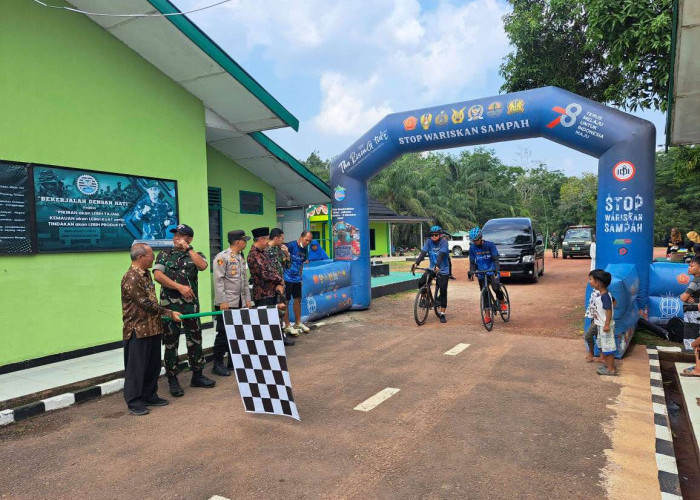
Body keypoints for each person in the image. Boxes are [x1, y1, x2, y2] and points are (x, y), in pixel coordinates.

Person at [153, 224, 215, 397]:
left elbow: (202, 266)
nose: (176, 238)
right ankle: (172, 379)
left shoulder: (195, 254)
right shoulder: (164, 255)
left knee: (195, 341)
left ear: (189, 238)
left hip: (191, 307)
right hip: (169, 309)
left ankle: (197, 375)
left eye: (180, 235)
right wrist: (179, 287)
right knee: (171, 343)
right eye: (175, 235)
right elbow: (158, 276)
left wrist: (190, 250)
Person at [121, 243, 181, 416]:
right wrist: (168, 312)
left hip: (152, 328)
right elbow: (145, 303)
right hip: (137, 330)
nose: (153, 258)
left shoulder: (146, 275)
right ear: (140, 257)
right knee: (136, 369)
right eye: (150, 255)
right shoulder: (131, 277)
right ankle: (134, 402)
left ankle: (149, 396)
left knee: (152, 366)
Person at [211, 229, 252, 377]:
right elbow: (218, 280)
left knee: (236, 333)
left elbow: (244, 281)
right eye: (244, 240)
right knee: (222, 334)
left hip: (239, 302)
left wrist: (248, 299)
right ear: (238, 242)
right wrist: (222, 301)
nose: (246, 243)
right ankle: (217, 363)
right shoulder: (222, 257)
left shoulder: (241, 257)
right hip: (227, 303)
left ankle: (233, 361)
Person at [247, 227, 294, 346]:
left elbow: (283, 266)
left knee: (276, 316)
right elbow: (265, 273)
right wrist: (279, 281)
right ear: (261, 239)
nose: (268, 242)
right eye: (266, 239)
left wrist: (287, 254)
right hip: (263, 292)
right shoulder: (255, 254)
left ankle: (278, 339)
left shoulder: (267, 252)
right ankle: (267, 345)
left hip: (274, 290)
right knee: (264, 320)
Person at [467, 226, 507, 325]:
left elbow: (495, 259)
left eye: (477, 240)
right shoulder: (472, 248)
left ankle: (502, 302)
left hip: (492, 270)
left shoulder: (490, 245)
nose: (475, 242)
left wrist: (496, 270)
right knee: (485, 294)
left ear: (481, 237)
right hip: (481, 273)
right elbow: (472, 262)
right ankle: (487, 316)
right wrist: (471, 272)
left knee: (496, 287)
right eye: (474, 240)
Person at [411, 225, 450, 323]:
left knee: (443, 290)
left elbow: (441, 255)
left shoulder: (444, 242)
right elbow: (423, 253)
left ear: (440, 235)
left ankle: (442, 313)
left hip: (443, 269)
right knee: (421, 282)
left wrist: (437, 265)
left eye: (436, 234)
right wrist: (416, 263)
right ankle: (424, 298)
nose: (433, 236)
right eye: (432, 235)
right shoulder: (428, 242)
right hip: (432, 268)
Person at [587, 269, 617, 376]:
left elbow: (609, 310)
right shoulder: (603, 294)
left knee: (608, 347)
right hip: (601, 325)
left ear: (598, 283)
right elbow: (613, 305)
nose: (589, 281)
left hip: (605, 326)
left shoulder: (604, 296)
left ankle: (611, 369)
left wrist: (607, 324)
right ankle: (609, 365)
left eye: (590, 279)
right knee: (605, 346)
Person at [266, 228, 295, 335]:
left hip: (281, 286)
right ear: (276, 238)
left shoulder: (279, 249)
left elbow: (287, 266)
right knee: (270, 313)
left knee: (281, 311)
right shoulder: (265, 250)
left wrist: (287, 254)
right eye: (282, 238)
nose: (283, 240)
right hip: (269, 288)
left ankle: (281, 336)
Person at [285, 231, 314, 334]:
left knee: (298, 300)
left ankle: (298, 323)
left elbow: (301, 264)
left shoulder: (305, 250)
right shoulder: (291, 245)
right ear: (301, 237)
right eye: (306, 240)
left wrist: (300, 278)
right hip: (287, 278)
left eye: (309, 241)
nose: (307, 243)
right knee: (286, 301)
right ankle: (287, 325)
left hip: (297, 278)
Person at [679, 256, 700, 376]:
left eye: (692, 266)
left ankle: (698, 369)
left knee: (694, 342)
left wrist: (684, 296)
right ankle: (698, 366)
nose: (689, 268)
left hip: (693, 315)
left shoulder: (695, 282)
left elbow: (684, 297)